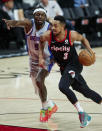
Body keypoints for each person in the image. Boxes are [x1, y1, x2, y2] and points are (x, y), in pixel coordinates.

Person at [39, 15, 102, 128]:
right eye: (52, 25)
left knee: (62, 86)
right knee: (86, 91)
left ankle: (82, 113)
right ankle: (89, 113)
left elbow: (83, 39)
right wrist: (40, 57)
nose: (53, 28)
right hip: (64, 68)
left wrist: (90, 50)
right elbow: (41, 40)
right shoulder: (48, 36)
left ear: (63, 27)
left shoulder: (71, 35)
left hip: (74, 65)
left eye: (56, 26)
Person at [3, 6, 58, 122]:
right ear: (33, 16)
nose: (39, 16)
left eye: (42, 15)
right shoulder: (29, 24)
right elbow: (18, 22)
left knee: (39, 80)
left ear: (45, 16)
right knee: (37, 88)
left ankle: (44, 109)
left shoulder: (50, 27)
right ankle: (51, 104)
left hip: (47, 59)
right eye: (37, 14)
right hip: (33, 59)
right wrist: (11, 23)